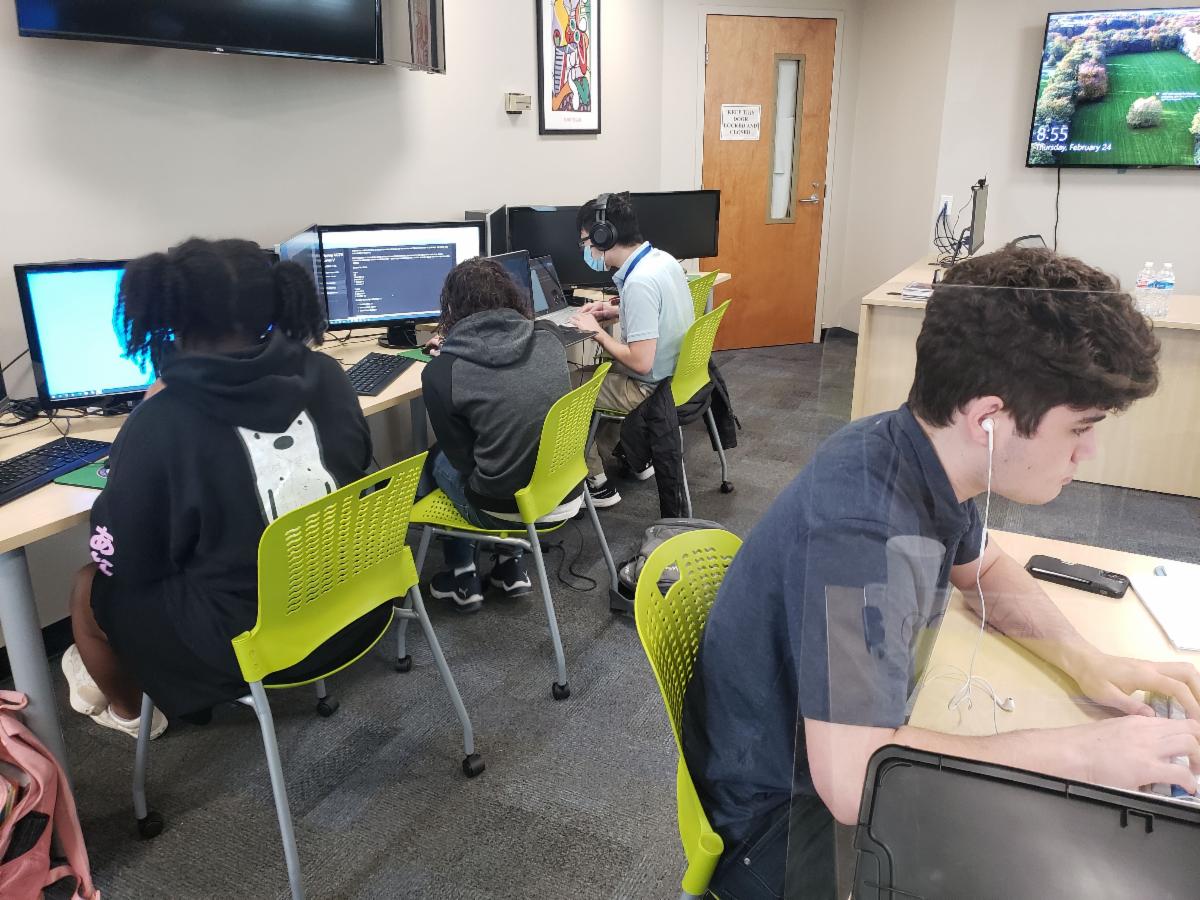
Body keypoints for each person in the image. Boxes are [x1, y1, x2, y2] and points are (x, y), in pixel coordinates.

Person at [681, 247, 1200, 899]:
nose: (1088, 451)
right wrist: (1084, 756)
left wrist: (1086, 659)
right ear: (988, 420)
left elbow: (988, 570)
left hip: (839, 761)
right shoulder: (861, 532)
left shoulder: (915, 449)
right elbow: (855, 781)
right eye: (1080, 427)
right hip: (785, 826)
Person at [61, 238, 378, 739]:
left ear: (170, 311)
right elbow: (357, 462)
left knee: (88, 585)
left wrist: (145, 417)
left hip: (255, 640)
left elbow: (124, 561)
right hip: (353, 601)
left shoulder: (162, 419)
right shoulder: (327, 373)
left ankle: (129, 713)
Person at [419, 257, 575, 612]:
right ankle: (510, 565)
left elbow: (463, 463)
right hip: (564, 489)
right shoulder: (549, 337)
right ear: (511, 295)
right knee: (511, 442)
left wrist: (448, 355)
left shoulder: (442, 373)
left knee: (435, 460)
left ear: (450, 310)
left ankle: (462, 574)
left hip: (504, 509)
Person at [569, 191, 694, 507]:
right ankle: (633, 456)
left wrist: (597, 332)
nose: (586, 250)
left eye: (586, 242)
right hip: (674, 377)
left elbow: (640, 362)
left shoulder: (639, 282)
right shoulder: (662, 260)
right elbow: (658, 310)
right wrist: (617, 311)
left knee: (567, 388)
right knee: (598, 373)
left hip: (648, 387)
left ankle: (595, 482)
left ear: (604, 236)